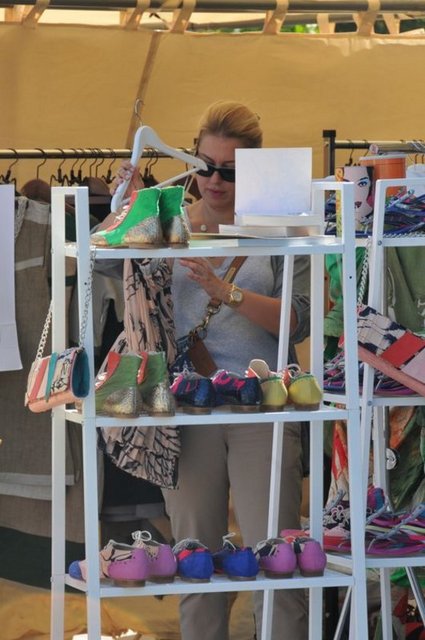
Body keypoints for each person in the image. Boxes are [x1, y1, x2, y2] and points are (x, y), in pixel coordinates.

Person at [110, 100, 310, 640]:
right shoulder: (165, 216)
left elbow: (298, 319)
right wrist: (125, 209)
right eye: (204, 166)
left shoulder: (278, 224)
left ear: (255, 169)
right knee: (193, 563)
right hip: (186, 404)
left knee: (278, 560)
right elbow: (106, 268)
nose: (215, 181)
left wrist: (228, 292)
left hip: (263, 405)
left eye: (230, 170)